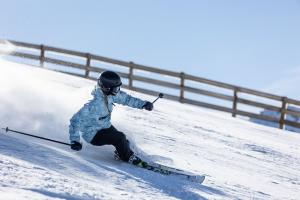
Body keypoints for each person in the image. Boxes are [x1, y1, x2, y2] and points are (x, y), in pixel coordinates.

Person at [69, 70, 153, 166]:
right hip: (93, 135)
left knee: (124, 140)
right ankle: (128, 157)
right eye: (115, 89)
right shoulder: (93, 105)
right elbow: (75, 121)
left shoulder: (110, 96)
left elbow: (126, 99)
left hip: (105, 126)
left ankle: (121, 153)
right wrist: (75, 141)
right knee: (119, 138)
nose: (117, 91)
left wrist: (143, 104)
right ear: (106, 88)